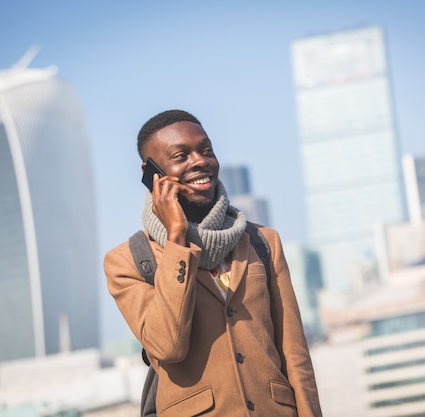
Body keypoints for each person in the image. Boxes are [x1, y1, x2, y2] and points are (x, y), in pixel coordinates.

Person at [104, 109, 322, 417]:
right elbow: (167, 347)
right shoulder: (127, 261)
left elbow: (295, 353)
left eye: (206, 150)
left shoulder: (263, 241)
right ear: (151, 172)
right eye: (181, 155)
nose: (200, 161)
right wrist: (177, 238)